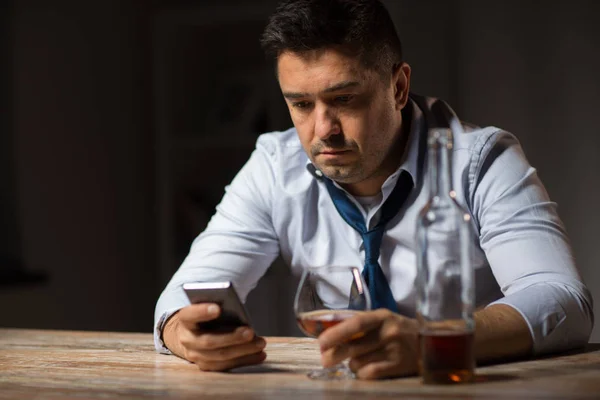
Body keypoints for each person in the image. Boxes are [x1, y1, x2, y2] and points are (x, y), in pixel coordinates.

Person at [154, 0, 593, 379]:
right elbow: (184, 294)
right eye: (301, 105)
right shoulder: (275, 165)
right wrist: (185, 334)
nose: (322, 130)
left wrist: (430, 343)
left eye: (344, 99)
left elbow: (563, 302)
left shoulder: (481, 160)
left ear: (399, 87)